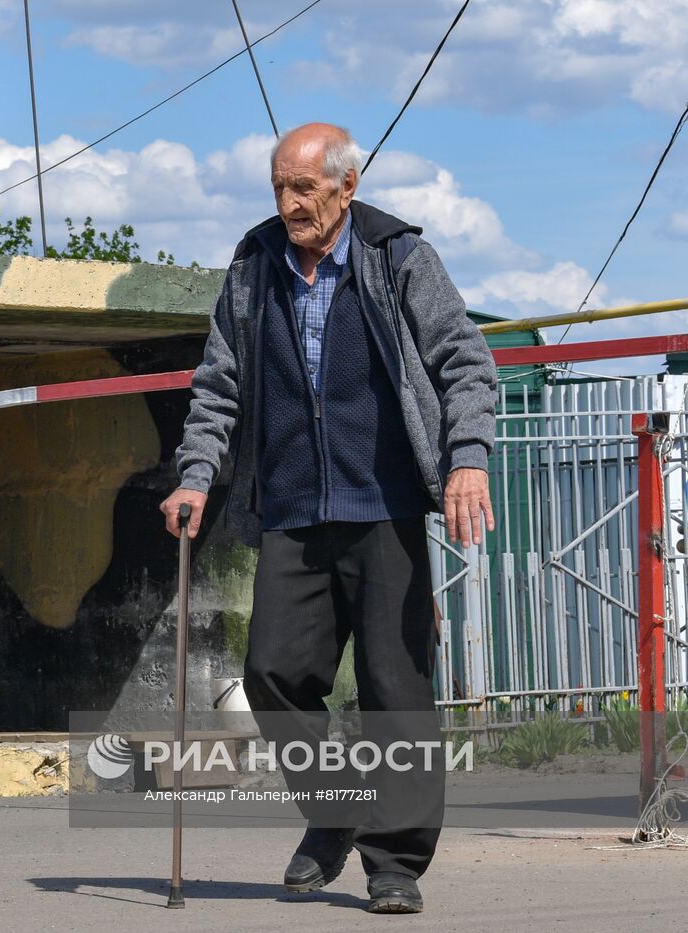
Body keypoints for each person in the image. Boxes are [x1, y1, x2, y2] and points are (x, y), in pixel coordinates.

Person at [160, 122, 497, 914]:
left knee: (395, 688)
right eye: (278, 187)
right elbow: (218, 385)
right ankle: (339, 804)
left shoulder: (398, 257)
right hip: (292, 508)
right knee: (273, 674)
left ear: (346, 187)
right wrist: (198, 474)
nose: (288, 203)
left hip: (382, 505)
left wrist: (468, 456)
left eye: (303, 189)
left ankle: (396, 860)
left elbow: (464, 360)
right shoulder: (253, 269)